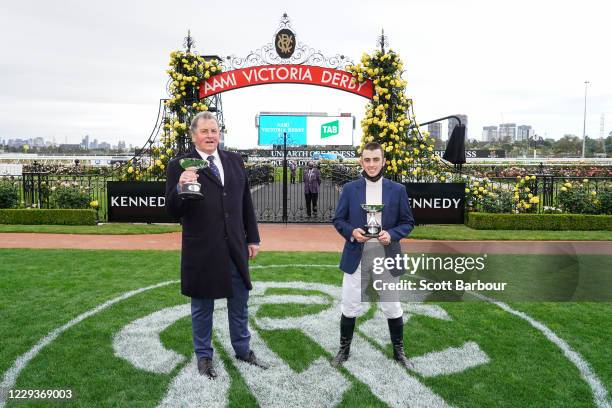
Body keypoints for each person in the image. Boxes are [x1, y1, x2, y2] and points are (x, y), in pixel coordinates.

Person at [165, 111, 268, 379]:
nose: (210, 135)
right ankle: (204, 357)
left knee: (239, 302)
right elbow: (172, 211)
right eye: (205, 131)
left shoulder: (234, 160)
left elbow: (245, 201)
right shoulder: (179, 165)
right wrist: (180, 187)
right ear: (193, 135)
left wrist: (252, 237)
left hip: (235, 245)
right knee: (202, 307)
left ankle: (243, 350)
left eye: (214, 130)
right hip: (202, 248)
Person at [331, 142, 415, 368]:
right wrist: (352, 232)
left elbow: (408, 222)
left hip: (386, 257)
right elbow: (338, 220)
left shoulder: (398, 190)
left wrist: (392, 234)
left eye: (375, 159)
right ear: (361, 161)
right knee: (349, 304)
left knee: (391, 305)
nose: (371, 164)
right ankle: (343, 350)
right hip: (356, 256)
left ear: (383, 161)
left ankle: (399, 352)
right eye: (367, 160)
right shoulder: (350, 189)